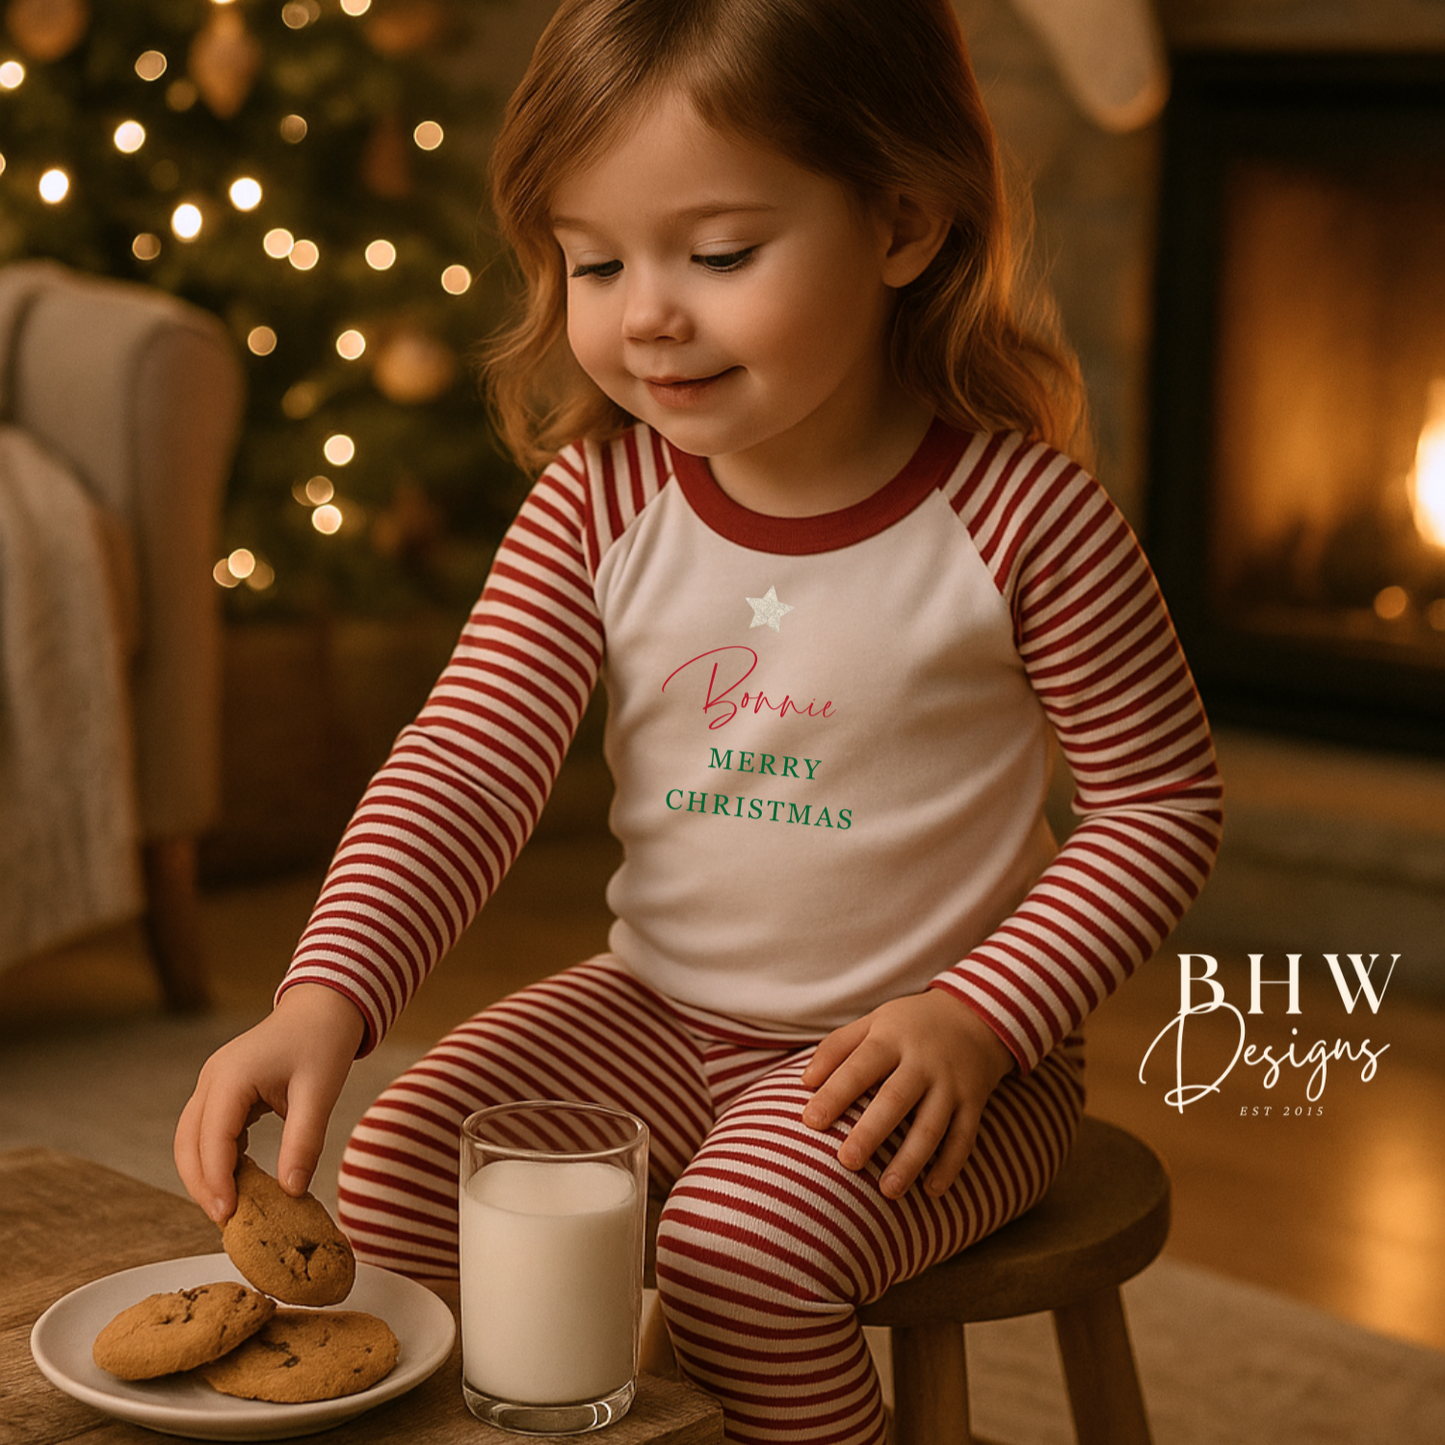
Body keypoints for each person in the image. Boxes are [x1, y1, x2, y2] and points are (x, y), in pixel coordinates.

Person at [176, 2, 1224, 1440]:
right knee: (410, 1154)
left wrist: (983, 1017)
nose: (646, 311)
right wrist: (325, 995)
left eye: (720, 254)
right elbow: (465, 769)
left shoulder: (1024, 518)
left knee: (735, 1253)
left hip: (947, 1071)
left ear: (904, 225)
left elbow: (1161, 808)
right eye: (594, 261)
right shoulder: (597, 505)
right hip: (656, 1015)